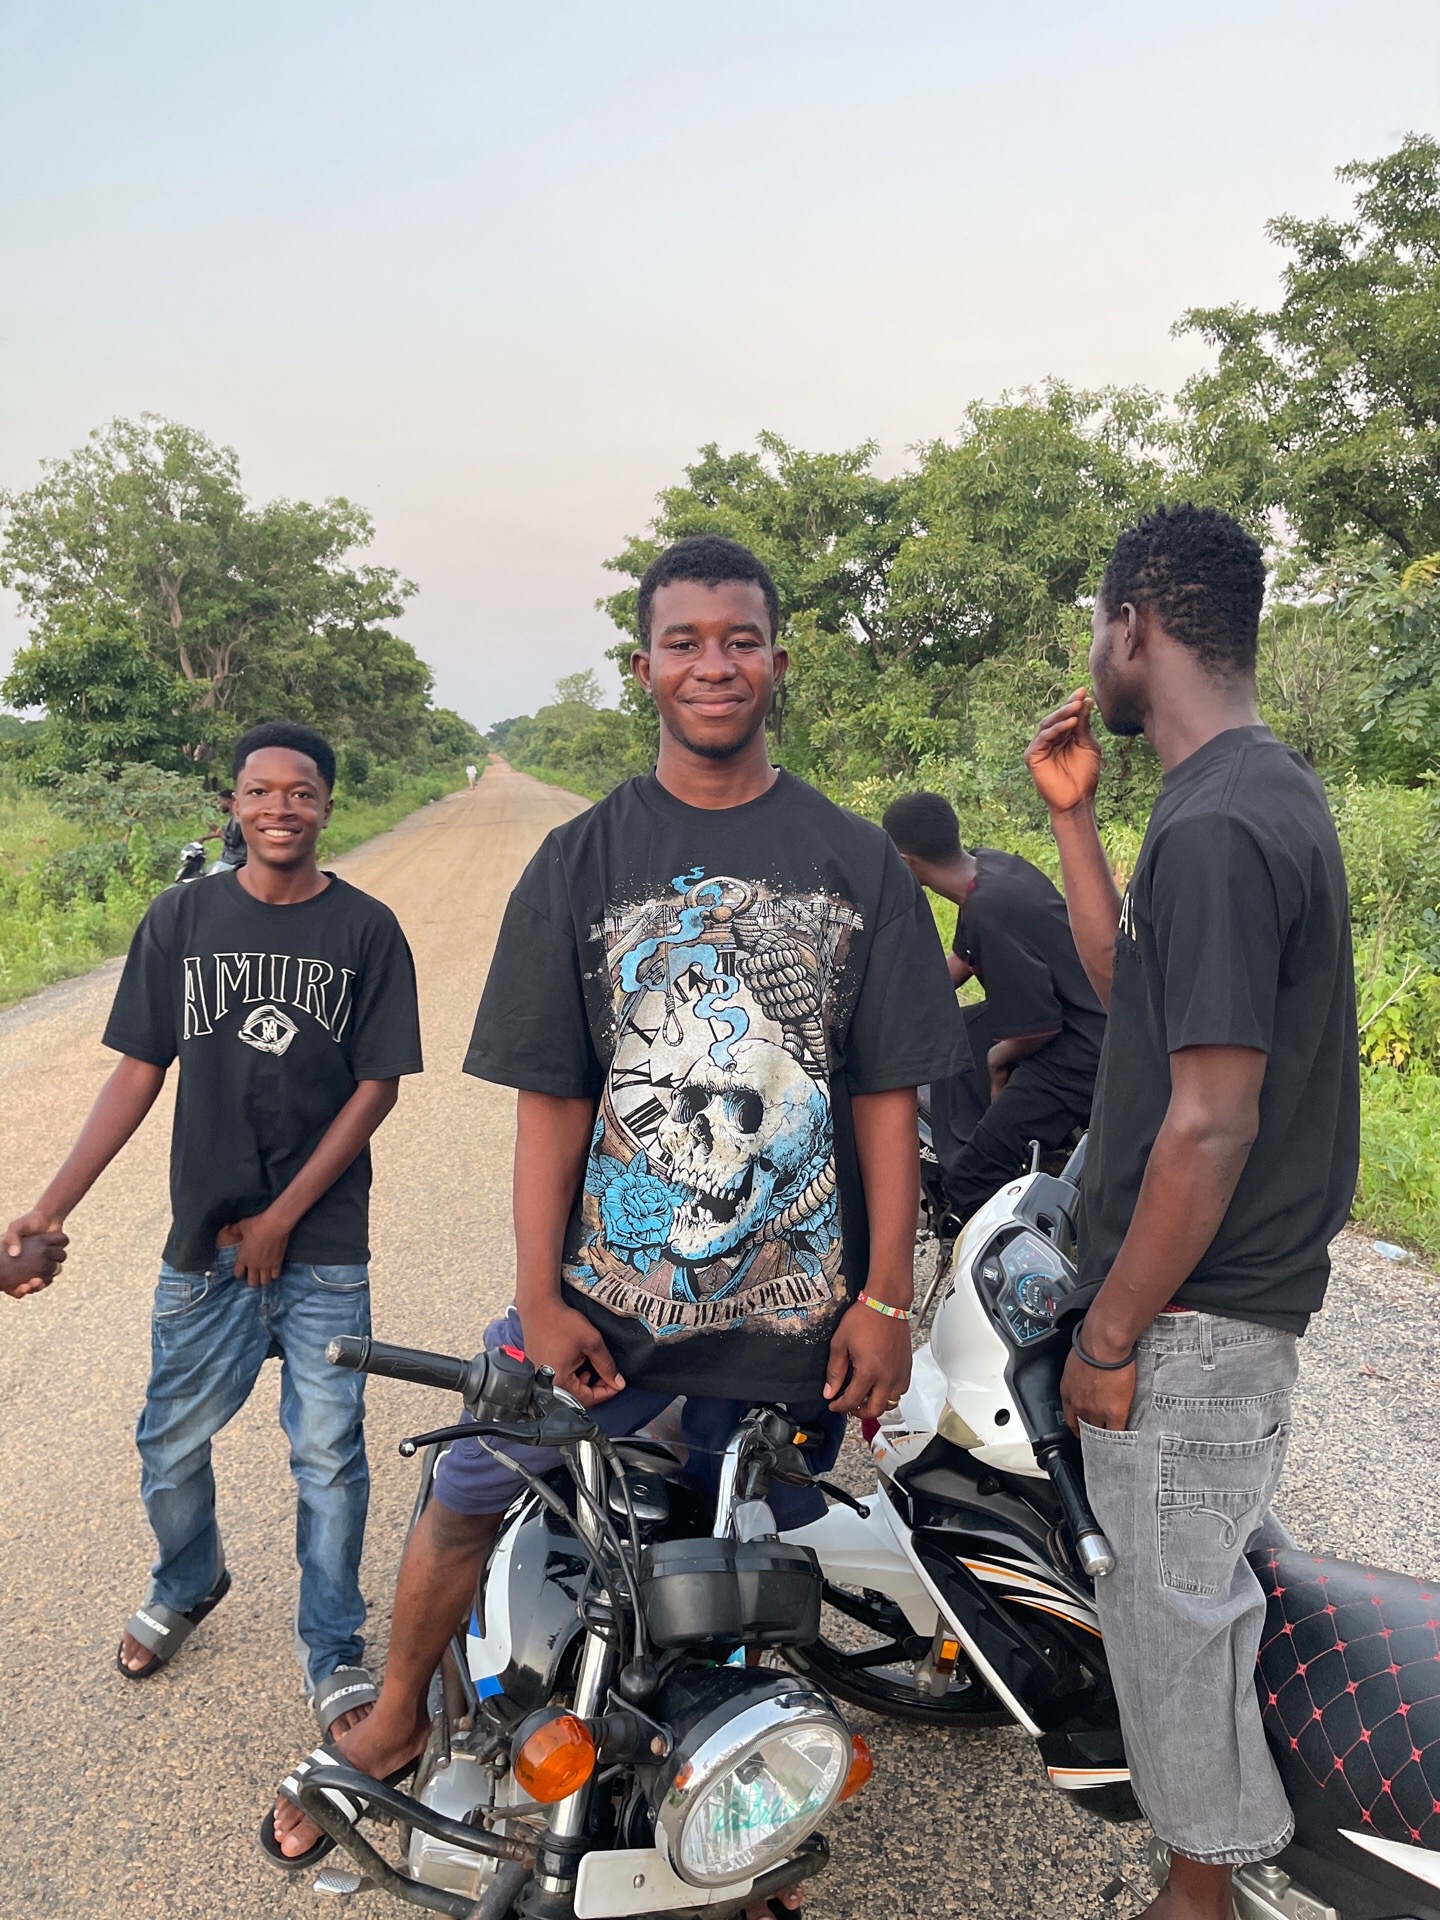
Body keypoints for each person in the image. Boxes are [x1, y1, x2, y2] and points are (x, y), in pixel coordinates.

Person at [267, 533, 968, 1887]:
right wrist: (540, 1294)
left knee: (737, 1568)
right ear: (642, 667)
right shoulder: (581, 861)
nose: (715, 664)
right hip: (606, 1305)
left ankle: (735, 1835)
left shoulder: (854, 862)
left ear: (778, 660)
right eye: (685, 642)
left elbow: (889, 1098)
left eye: (741, 640)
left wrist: (885, 1300)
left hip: (793, 1319)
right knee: (468, 1486)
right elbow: (554, 1100)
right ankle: (395, 1716)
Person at [1025, 505, 1358, 1920]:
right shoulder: (1239, 793)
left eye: (1098, 630)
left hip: (1195, 1310)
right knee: (1186, 1594)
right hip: (1214, 1304)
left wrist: (1109, 1334)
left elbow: (1208, 1123)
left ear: (1133, 627)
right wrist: (1073, 821)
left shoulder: (1220, 822)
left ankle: (1201, 1899)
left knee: (1174, 1616)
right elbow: (1139, 995)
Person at [4, 720, 423, 1738]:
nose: (281, 807)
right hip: (206, 1245)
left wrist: (282, 1218)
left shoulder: (366, 930)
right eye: (260, 791)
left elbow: (376, 1089)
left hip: (321, 1247)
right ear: (232, 805)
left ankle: (333, 1650)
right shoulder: (181, 919)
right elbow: (138, 1071)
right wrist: (48, 1210)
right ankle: (189, 1579)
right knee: (169, 1443)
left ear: (327, 806)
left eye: (301, 792)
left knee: (328, 1458)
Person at [882, 791, 1104, 1220]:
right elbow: (964, 959)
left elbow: (1039, 1026)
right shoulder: (991, 868)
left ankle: (1010, 1241)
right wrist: (893, 1007)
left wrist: (997, 1065)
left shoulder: (988, 907)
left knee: (971, 1177)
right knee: (949, 1033)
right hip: (1085, 1010)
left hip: (1081, 1050)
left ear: (906, 863)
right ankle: (970, 1134)